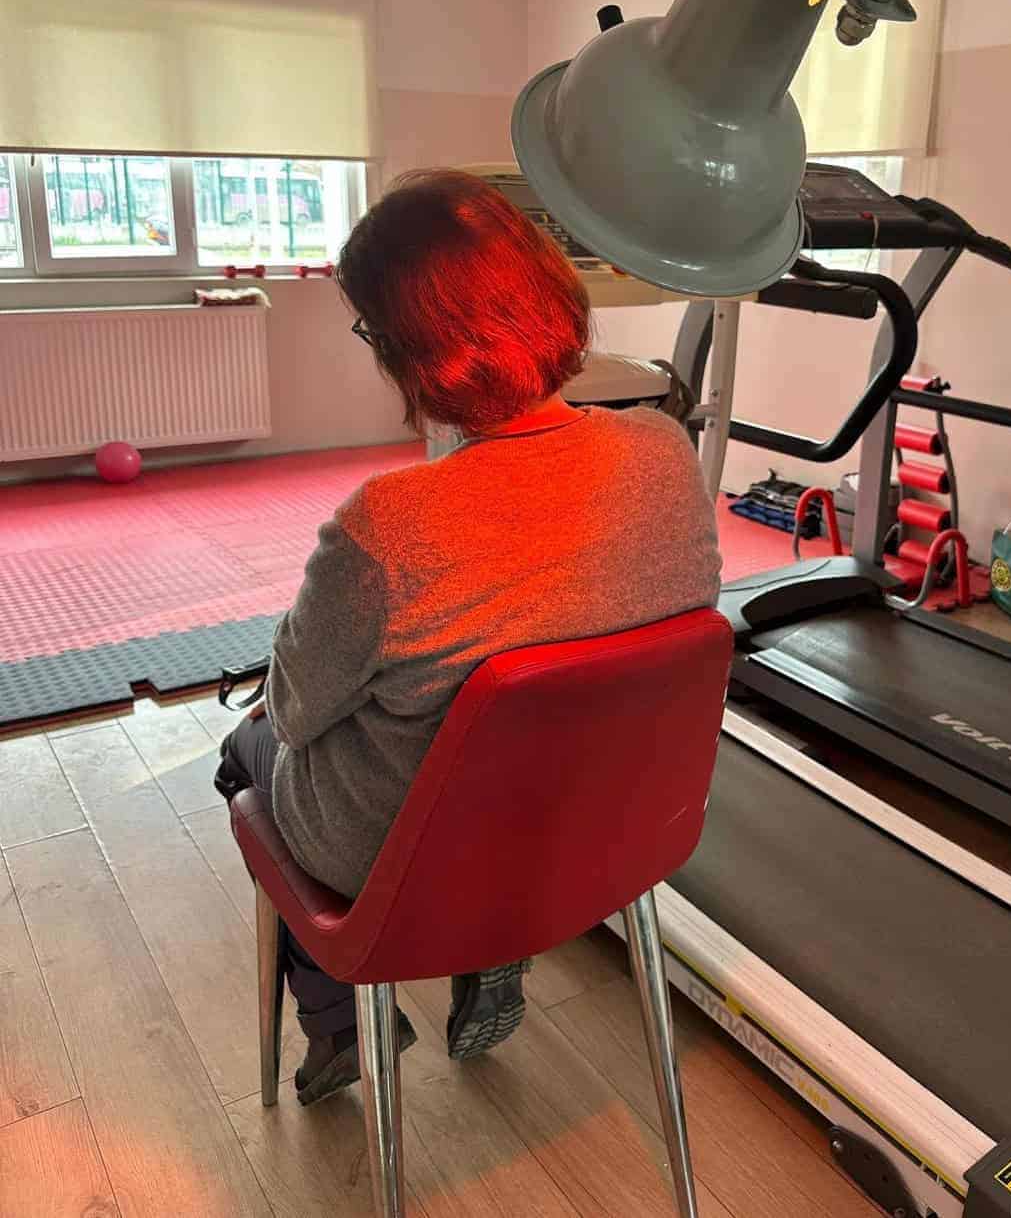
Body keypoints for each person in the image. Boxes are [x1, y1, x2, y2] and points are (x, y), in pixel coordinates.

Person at [215, 168, 722, 1105]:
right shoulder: (663, 454)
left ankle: (337, 1026)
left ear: (409, 349)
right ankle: (495, 944)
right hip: (598, 826)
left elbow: (292, 712)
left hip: (407, 861)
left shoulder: (388, 525)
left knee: (243, 748)